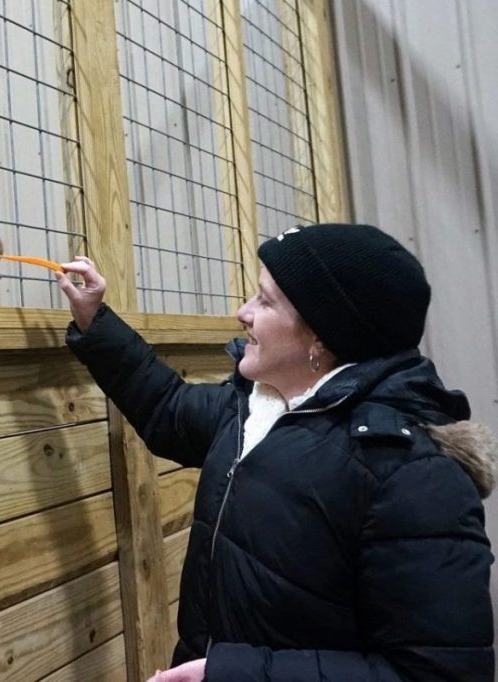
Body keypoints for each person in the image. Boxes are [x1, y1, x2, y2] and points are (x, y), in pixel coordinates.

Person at [55, 224, 496, 681]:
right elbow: (169, 408)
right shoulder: (258, 409)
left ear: (321, 337)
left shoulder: (411, 474)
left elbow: (440, 675)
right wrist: (95, 320)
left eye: (265, 300)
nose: (242, 312)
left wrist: (230, 674)